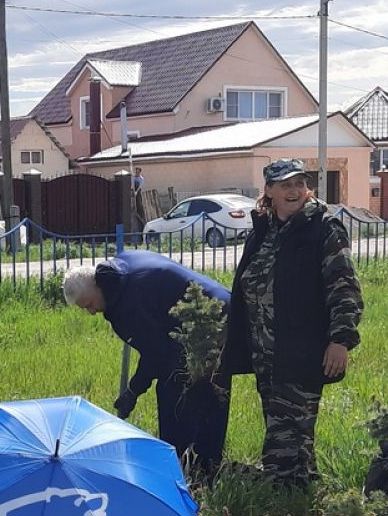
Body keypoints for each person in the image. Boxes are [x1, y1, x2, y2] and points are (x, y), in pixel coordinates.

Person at [222, 159, 363, 486]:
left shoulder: (323, 228)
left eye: (299, 183)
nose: (295, 190)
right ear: (269, 190)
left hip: (301, 350)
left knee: (286, 438)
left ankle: (283, 503)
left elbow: (344, 286)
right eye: (285, 184)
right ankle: (303, 493)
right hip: (265, 354)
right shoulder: (263, 231)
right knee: (285, 431)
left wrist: (341, 339)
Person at [63, 250, 231, 474]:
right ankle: (197, 466)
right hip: (210, 306)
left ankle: (192, 470)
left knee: (181, 389)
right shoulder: (121, 265)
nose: (92, 312)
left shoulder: (129, 304)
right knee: (181, 384)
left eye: (89, 305)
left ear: (97, 285)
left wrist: (133, 391)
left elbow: (157, 355)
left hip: (210, 319)